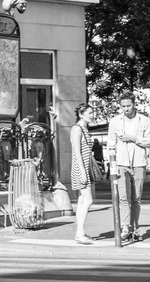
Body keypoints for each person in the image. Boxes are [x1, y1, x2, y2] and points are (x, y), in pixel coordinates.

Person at [107, 91, 150, 241]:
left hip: (139, 163)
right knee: (123, 197)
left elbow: (148, 141)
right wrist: (111, 164)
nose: (126, 109)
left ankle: (136, 229)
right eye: (123, 106)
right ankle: (125, 228)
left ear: (134, 104)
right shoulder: (115, 121)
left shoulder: (144, 120)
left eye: (128, 105)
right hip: (121, 163)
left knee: (136, 198)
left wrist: (133, 138)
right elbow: (111, 143)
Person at [71, 103, 96, 244]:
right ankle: (80, 233)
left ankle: (80, 232)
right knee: (88, 200)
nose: (92, 115)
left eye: (92, 112)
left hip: (83, 168)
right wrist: (82, 172)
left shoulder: (84, 129)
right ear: (81, 114)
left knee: (82, 201)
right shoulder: (77, 129)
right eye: (89, 113)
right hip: (81, 168)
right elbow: (76, 151)